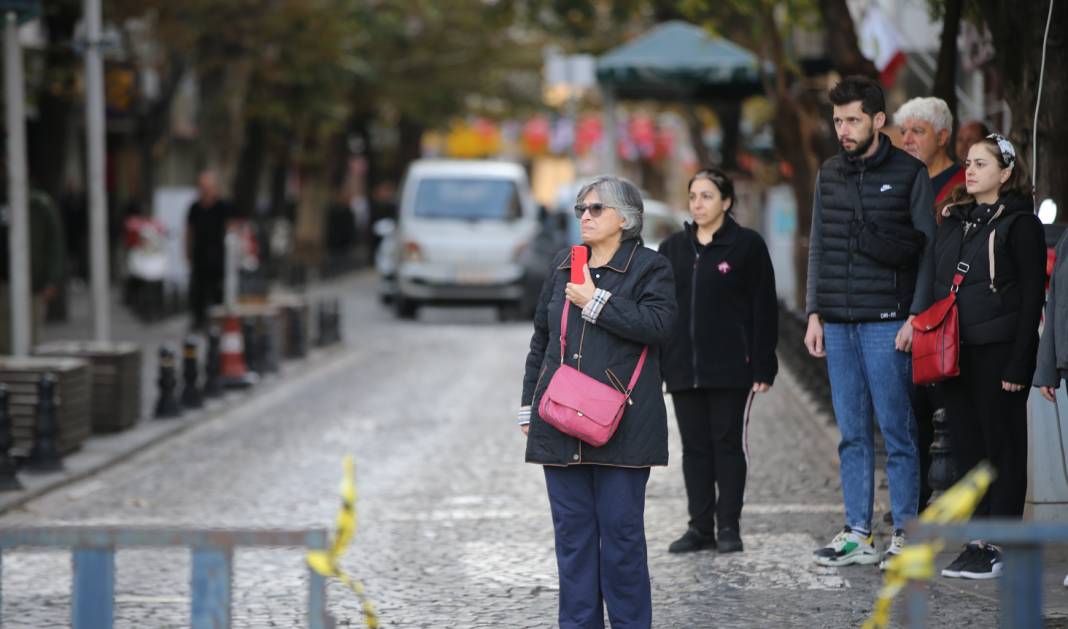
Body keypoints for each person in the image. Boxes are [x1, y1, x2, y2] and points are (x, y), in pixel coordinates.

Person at [518, 175, 676, 629]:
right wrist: (529, 404)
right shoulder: (564, 264)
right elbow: (542, 339)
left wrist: (597, 302)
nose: (584, 217)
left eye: (595, 209)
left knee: (622, 542)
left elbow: (660, 325)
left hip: (623, 425)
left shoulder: (651, 268)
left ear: (625, 219)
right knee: (573, 543)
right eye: (580, 210)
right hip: (559, 420)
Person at [804, 75, 936, 570]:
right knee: (852, 433)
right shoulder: (827, 175)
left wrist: (915, 317)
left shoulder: (910, 174)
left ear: (878, 120)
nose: (843, 128)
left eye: (853, 119)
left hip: (888, 322)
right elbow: (819, 245)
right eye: (838, 120)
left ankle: (906, 532)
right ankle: (858, 533)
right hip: (837, 322)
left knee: (898, 432)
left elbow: (928, 252)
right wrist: (815, 311)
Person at [934, 134, 1045, 579]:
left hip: (1000, 351)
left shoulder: (1022, 225)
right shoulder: (958, 221)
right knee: (968, 450)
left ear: (1006, 172)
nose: (970, 170)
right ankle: (976, 540)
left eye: (981, 163)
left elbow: (1033, 297)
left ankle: (1000, 542)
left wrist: (1021, 361)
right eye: (968, 163)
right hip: (958, 351)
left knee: (1003, 447)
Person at [657, 168, 778, 554]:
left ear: (726, 201)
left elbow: (764, 308)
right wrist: (660, 361)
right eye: (693, 196)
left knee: (727, 445)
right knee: (693, 449)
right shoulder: (673, 249)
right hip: (682, 367)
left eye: (707, 196)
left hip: (731, 368)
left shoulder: (747, 246)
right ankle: (699, 528)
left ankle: (728, 526)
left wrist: (763, 363)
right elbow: (661, 309)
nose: (698, 204)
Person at [892, 96, 963, 517]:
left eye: (917, 131)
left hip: (947, 314)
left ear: (942, 136)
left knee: (950, 415)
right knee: (909, 412)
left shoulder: (959, 183)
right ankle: (912, 501)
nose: (907, 139)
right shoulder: (903, 180)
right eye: (904, 132)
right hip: (908, 311)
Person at [185, 170, 233, 331]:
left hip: (218, 256)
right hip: (200, 255)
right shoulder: (194, 208)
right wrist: (187, 252)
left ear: (215, 189)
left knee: (218, 291)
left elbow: (231, 229)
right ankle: (198, 321)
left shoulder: (222, 206)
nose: (205, 191)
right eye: (202, 187)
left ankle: (217, 322)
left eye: (208, 187)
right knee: (198, 291)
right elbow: (189, 232)